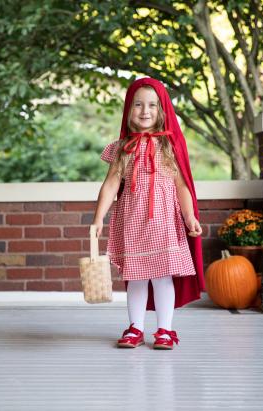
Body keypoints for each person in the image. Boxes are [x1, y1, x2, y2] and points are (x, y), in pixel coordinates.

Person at [92, 77, 205, 350]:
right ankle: (136, 328)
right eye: (139, 105)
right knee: (137, 276)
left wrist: (189, 217)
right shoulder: (123, 148)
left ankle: (165, 330)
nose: (145, 111)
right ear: (129, 110)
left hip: (164, 221)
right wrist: (98, 218)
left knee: (163, 277)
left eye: (152, 105)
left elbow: (181, 185)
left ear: (162, 110)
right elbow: (110, 185)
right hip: (132, 221)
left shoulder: (169, 145)